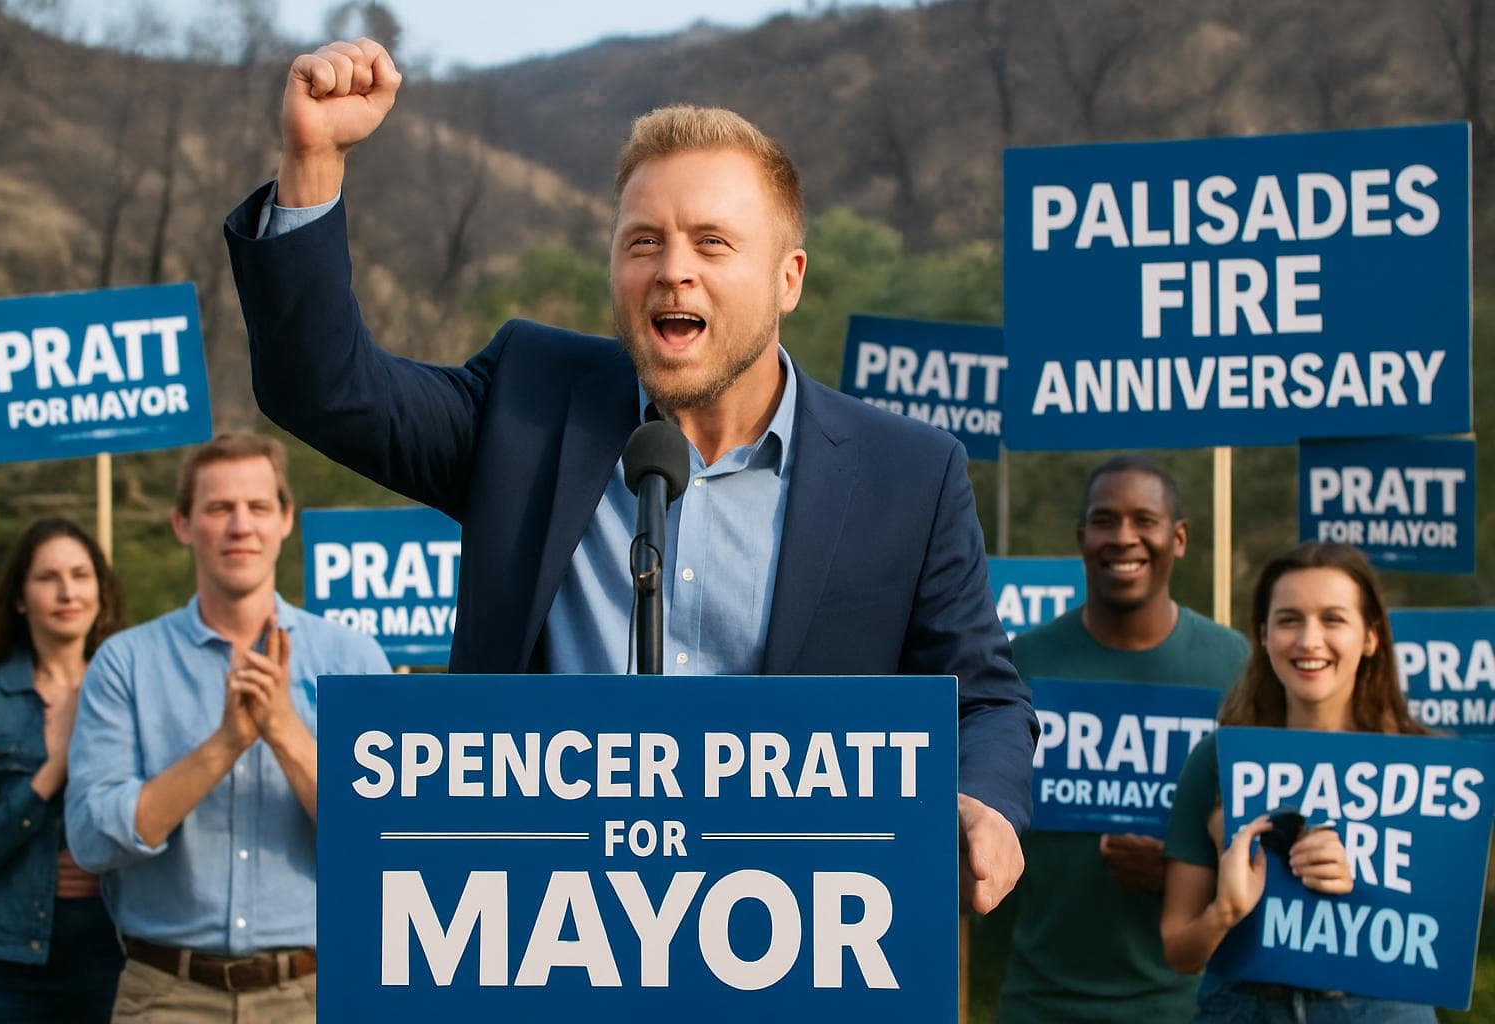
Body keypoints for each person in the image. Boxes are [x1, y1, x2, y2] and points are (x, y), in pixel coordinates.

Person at [222, 38, 1037, 912]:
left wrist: (986, 804)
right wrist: (313, 162)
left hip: (785, 937)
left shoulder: (909, 475)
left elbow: (984, 700)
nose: (672, 268)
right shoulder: (529, 404)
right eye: (643, 241)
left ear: (788, 279)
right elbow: (327, 390)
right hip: (540, 934)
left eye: (712, 242)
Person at [65, 433, 390, 1023]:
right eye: (218, 508)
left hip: (316, 994)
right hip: (165, 996)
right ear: (182, 524)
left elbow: (383, 835)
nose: (241, 526)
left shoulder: (353, 658)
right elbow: (91, 841)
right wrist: (223, 747)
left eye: (258, 506)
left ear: (285, 519)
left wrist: (283, 730)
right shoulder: (124, 663)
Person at [996, 456, 1249, 1022]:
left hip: (1185, 1005)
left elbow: (1257, 840)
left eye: (1145, 520)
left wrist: (1184, 877)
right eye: (1105, 521)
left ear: (1178, 538)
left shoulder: (1233, 666)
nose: (1124, 538)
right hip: (1040, 1000)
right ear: (1081, 539)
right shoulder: (1023, 662)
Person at [1161, 541, 1435, 1022]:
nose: (1309, 640)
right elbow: (1179, 951)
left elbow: (1443, 937)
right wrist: (1226, 909)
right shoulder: (1217, 761)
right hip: (1243, 1008)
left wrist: (1367, 880)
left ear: (1370, 637)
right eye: (1289, 620)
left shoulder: (1428, 770)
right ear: (1263, 635)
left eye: (1333, 619)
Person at [0, 518, 126, 1022]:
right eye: (48, 577)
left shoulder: (133, 690)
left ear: (101, 591)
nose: (67, 592)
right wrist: (55, 769)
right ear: (18, 597)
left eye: (80, 575)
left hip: (118, 956)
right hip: (6, 968)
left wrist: (104, 861)